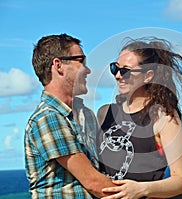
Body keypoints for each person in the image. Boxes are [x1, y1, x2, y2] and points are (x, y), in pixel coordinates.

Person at [96, 37, 182, 199]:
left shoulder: (164, 118)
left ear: (148, 76)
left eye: (126, 70)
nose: (117, 75)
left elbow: (181, 180)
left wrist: (141, 189)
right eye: (114, 68)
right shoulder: (105, 113)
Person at [24, 33, 115, 198]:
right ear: (58, 65)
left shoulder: (84, 114)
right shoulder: (49, 118)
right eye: (81, 61)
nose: (88, 70)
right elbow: (94, 183)